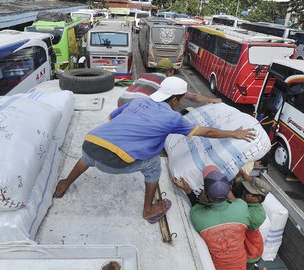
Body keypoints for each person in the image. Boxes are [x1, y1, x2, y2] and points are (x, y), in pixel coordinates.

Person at [54, 77, 256, 224]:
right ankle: (148, 209)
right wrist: (234, 133)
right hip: (112, 161)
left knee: (89, 155)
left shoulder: (140, 100)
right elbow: (208, 132)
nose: (182, 103)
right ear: (175, 101)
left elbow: (112, 118)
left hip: (90, 142)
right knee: (153, 164)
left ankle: (64, 184)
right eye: (181, 100)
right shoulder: (173, 118)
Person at [173, 165, 250, 269]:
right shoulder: (242, 206)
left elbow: (197, 207)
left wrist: (188, 191)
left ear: (206, 193)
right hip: (240, 264)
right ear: (229, 189)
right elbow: (233, 202)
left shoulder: (197, 215)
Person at [117, 58, 222, 106]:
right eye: (173, 71)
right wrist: (212, 100)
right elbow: (193, 96)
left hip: (121, 102)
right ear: (169, 71)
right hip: (136, 108)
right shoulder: (168, 83)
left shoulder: (143, 75)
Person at [230, 168, 271, 270]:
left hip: (250, 252)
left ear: (258, 199)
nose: (244, 192)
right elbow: (242, 184)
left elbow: (237, 209)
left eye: (248, 191)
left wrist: (226, 191)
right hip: (243, 246)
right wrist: (239, 176)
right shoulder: (246, 195)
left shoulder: (258, 215)